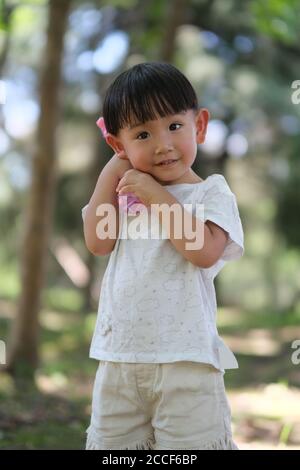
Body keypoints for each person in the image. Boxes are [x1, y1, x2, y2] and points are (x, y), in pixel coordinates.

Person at [81, 62, 244, 450]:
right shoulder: (122, 195)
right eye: (142, 134)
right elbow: (99, 242)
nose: (162, 144)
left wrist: (154, 194)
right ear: (119, 145)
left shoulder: (212, 193)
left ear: (199, 126)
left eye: (174, 126)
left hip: (186, 363)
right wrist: (113, 172)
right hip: (119, 358)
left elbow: (203, 251)